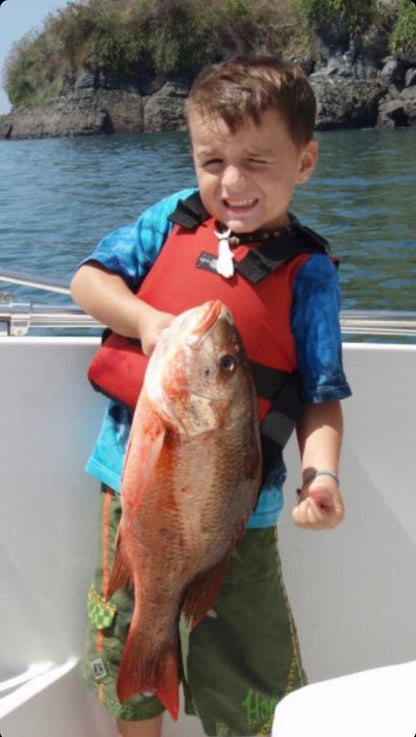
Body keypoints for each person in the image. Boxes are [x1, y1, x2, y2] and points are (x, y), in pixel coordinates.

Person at [71, 56, 351, 737]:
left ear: (305, 160)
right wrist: (146, 322)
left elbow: (320, 396)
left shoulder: (309, 275)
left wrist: (320, 475)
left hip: (238, 518)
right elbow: (88, 282)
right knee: (129, 648)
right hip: (135, 501)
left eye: (258, 160)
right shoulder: (173, 217)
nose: (231, 182)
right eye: (211, 159)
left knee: (249, 679)